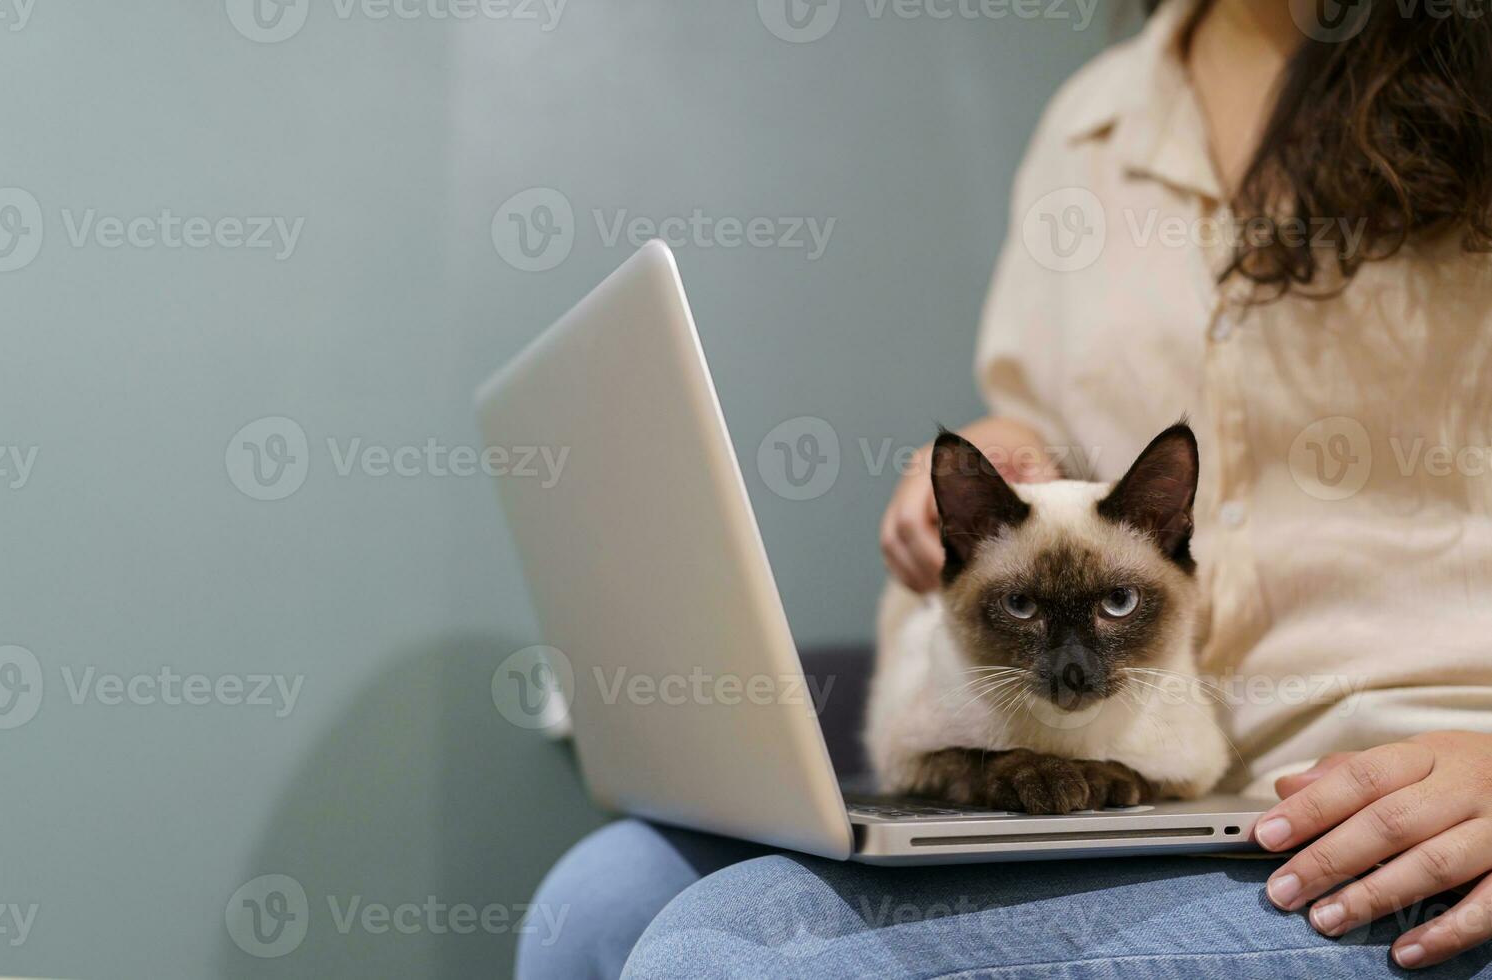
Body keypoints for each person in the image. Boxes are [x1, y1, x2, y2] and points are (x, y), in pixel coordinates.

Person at [518, 0, 1492, 974]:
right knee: (597, 901)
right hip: (1168, 788)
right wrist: (1007, 445)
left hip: (1425, 810)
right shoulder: (1091, 120)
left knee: (734, 950)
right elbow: (1057, 430)